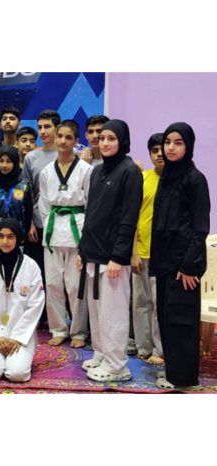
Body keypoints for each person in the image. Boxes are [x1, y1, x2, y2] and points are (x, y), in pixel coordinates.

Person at [77, 119, 142, 382]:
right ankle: (103, 354)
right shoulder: (97, 171)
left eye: (111, 138)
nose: (104, 143)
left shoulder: (130, 171)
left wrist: (119, 256)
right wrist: (83, 251)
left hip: (113, 258)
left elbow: (129, 217)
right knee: (97, 312)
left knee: (113, 314)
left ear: (122, 141)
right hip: (93, 252)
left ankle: (117, 367)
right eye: (102, 138)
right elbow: (91, 214)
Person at [150, 122, 210, 389]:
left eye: (178, 142)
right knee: (167, 320)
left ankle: (185, 379)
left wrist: (189, 265)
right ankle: (174, 373)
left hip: (184, 264)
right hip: (165, 262)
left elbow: (200, 228)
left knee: (181, 322)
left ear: (189, 146)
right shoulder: (167, 176)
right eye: (167, 142)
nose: (170, 148)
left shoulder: (195, 179)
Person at [38, 120, 92, 348]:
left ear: (76, 141)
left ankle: (79, 331)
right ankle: (58, 328)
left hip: (76, 229)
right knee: (52, 284)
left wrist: (87, 235)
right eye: (60, 136)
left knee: (75, 285)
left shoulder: (86, 170)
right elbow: (42, 203)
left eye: (68, 137)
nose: (62, 141)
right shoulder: (46, 171)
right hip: (52, 232)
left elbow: (90, 204)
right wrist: (47, 225)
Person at [0, 219, 45, 382]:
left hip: (20, 333)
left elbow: (35, 305)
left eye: (10, 237)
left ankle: (19, 353)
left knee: (17, 374)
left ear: (18, 238)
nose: (5, 241)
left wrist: (17, 337)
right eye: (1, 236)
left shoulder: (31, 266)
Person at [131, 133, 165, 365]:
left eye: (162, 149)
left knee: (160, 305)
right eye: (154, 150)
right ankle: (143, 347)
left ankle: (160, 350)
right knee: (141, 303)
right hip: (140, 252)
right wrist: (132, 252)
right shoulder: (142, 179)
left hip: (164, 256)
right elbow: (131, 217)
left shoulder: (178, 180)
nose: (160, 154)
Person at [21, 110, 62, 288]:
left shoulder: (72, 153)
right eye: (40, 127)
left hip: (64, 222)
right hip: (38, 223)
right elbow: (27, 192)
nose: (43, 131)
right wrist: (30, 221)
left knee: (63, 274)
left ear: (57, 128)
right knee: (41, 273)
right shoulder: (31, 157)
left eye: (47, 127)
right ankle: (42, 313)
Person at [0, 145, 32, 255]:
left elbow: (29, 213)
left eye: (8, 161)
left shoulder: (23, 186)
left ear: (15, 163)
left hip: (17, 240)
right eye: (1, 161)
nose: (4, 165)